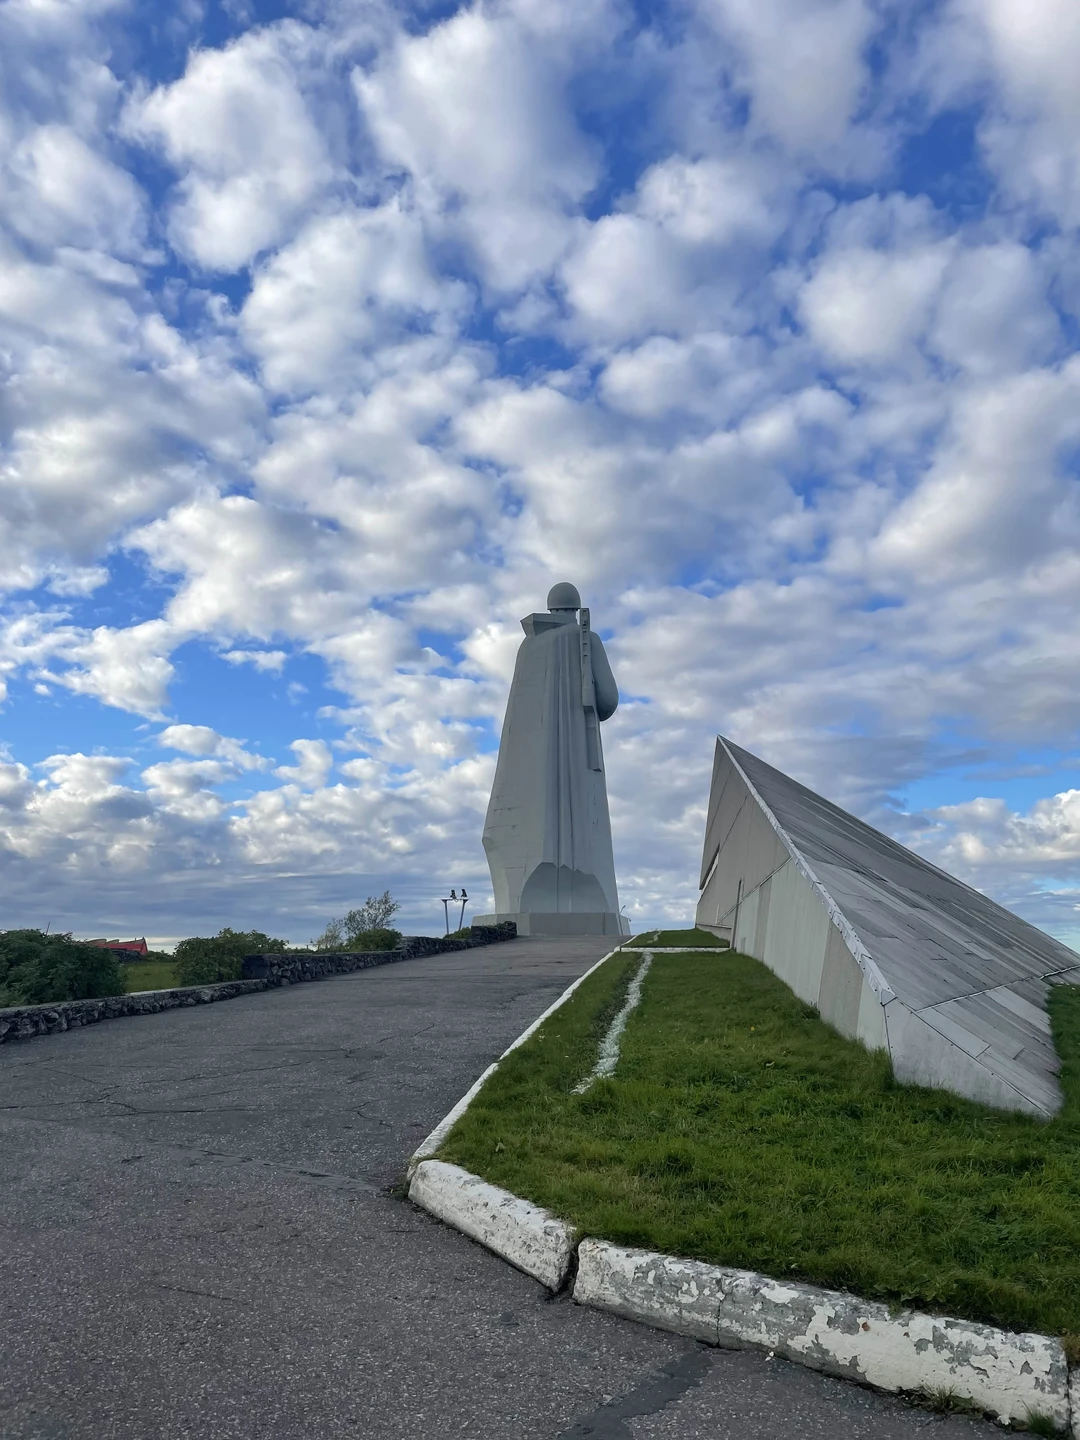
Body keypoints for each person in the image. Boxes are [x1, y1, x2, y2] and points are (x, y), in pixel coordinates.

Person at [479, 582, 629, 937]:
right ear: (576, 609)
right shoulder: (585, 639)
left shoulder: (527, 647)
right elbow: (608, 701)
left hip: (523, 781)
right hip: (579, 761)